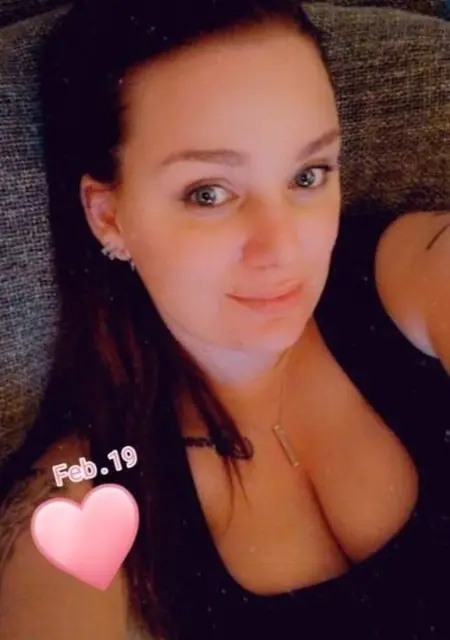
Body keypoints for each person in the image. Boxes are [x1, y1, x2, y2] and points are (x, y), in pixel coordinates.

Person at [0, 0, 449, 638]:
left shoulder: (410, 276)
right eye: (208, 193)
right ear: (109, 217)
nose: (283, 248)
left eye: (308, 175)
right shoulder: (87, 488)